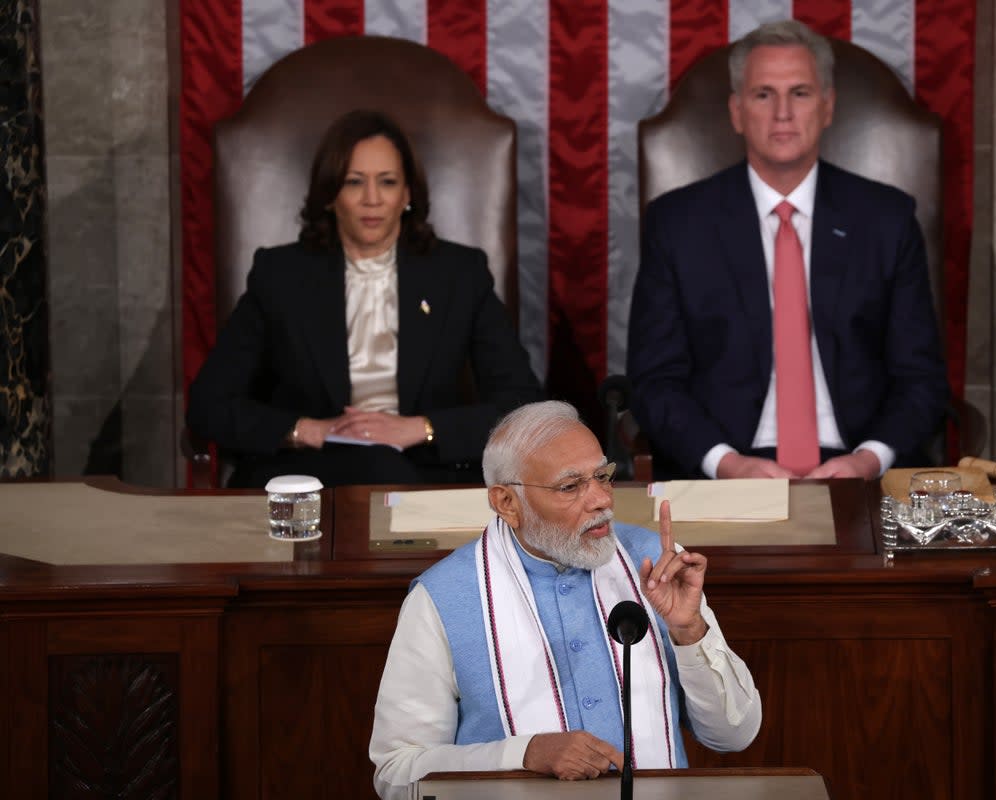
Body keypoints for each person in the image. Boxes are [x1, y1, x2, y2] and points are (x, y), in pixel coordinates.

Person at [369, 401, 762, 797]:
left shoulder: (655, 564)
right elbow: (396, 773)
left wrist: (689, 630)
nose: (601, 500)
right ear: (507, 503)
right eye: (570, 487)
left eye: (602, 477)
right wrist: (522, 754)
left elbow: (735, 734)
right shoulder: (442, 598)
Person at [627, 20, 948, 481]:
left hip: (859, 467)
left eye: (799, 93)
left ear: (828, 106)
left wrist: (870, 459)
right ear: (737, 112)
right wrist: (726, 464)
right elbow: (655, 383)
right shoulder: (677, 224)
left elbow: (921, 380)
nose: (782, 112)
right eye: (763, 94)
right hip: (727, 466)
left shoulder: (886, 219)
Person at [187, 109, 542, 487]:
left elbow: (521, 404)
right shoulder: (280, 275)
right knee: (374, 472)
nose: (372, 199)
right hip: (309, 473)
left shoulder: (460, 274)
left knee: (385, 472)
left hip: (425, 468)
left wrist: (421, 428)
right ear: (330, 195)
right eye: (354, 182)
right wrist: (307, 429)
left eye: (387, 182)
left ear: (407, 194)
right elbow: (209, 405)